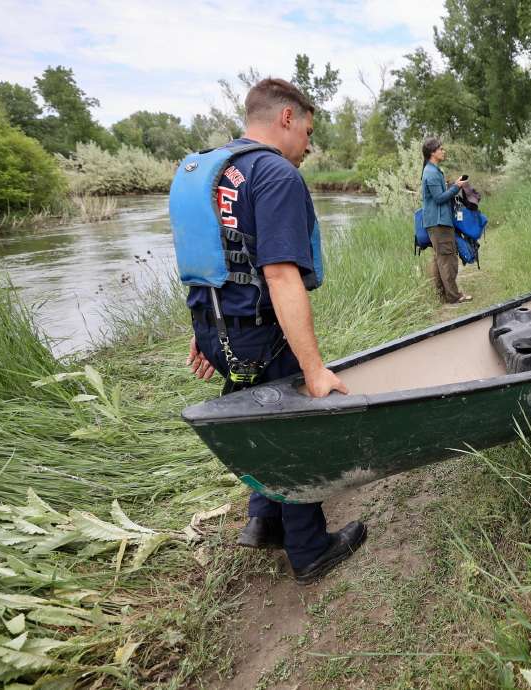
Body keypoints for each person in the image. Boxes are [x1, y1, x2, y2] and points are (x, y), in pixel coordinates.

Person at [179, 78, 366, 585]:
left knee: (255, 416)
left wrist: (207, 333)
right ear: (286, 118)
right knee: (295, 425)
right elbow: (280, 275)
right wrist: (314, 370)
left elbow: (210, 260)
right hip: (260, 334)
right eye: (307, 130)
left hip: (218, 331)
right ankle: (310, 550)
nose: (309, 144)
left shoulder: (213, 170)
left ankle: (262, 519)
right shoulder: (276, 175)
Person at [420, 138, 472, 304]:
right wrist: (457, 187)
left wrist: (453, 186)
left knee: (440, 258)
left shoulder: (432, 170)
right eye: (440, 149)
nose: (443, 151)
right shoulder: (431, 172)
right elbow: (439, 199)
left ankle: (443, 295)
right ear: (432, 153)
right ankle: (454, 296)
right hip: (439, 223)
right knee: (448, 259)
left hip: (436, 222)